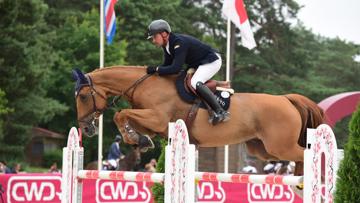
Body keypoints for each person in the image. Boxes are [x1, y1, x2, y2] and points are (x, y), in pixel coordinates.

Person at [146, 19, 230, 125]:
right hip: (198, 63)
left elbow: (175, 68)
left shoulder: (178, 42)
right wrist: (154, 71)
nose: (153, 40)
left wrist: (156, 69)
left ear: (164, 33)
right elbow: (167, 65)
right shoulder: (167, 46)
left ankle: (220, 111)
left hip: (211, 60)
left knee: (195, 82)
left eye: (154, 37)